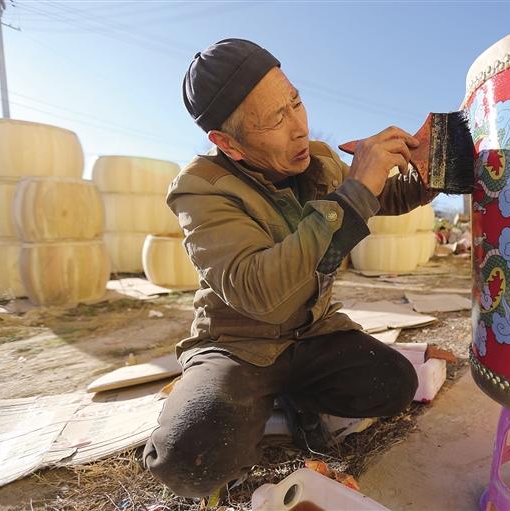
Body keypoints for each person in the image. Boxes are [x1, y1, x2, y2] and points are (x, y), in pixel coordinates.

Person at [143, 38, 435, 498]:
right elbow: (260, 292)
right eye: (274, 119)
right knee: (189, 458)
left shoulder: (317, 158)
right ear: (227, 143)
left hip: (312, 333)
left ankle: (292, 397)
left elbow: (383, 197)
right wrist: (355, 191)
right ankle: (234, 398)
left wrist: (425, 169)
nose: (299, 128)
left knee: (394, 383)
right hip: (240, 347)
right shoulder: (201, 189)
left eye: (295, 102)